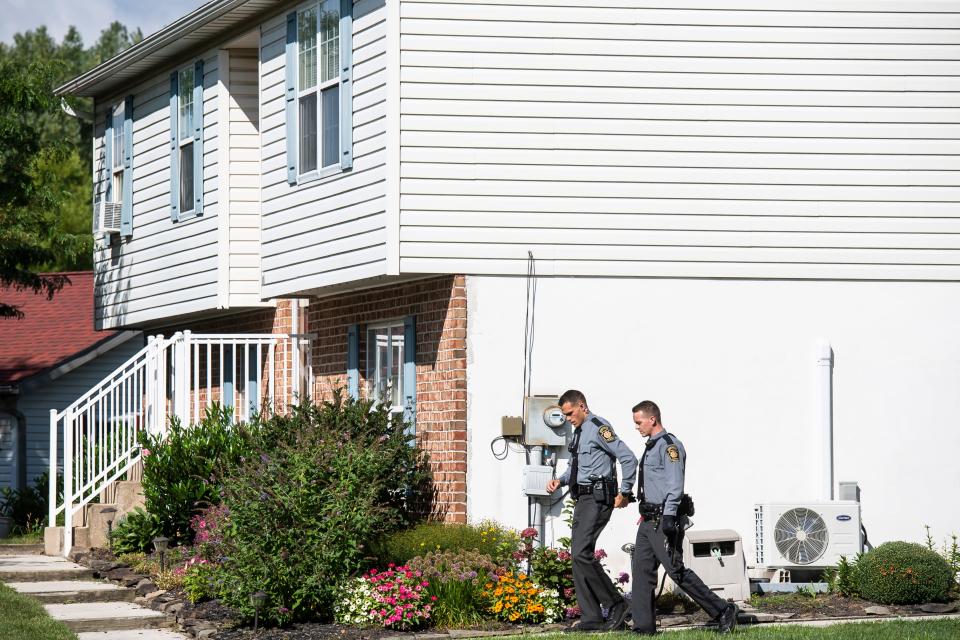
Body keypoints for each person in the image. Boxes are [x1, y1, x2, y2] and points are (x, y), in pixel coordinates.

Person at [630, 400, 739, 635]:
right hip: (648, 520)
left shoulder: (670, 446)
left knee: (675, 570)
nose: (637, 427)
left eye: (639, 422)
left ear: (652, 419)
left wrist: (669, 517)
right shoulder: (651, 445)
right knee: (641, 571)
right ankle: (644, 627)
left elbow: (675, 485)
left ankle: (722, 610)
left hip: (664, 520)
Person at [546, 389, 638, 632]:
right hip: (583, 499)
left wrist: (625, 492)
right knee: (578, 557)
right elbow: (577, 467)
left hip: (598, 498)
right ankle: (591, 618)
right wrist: (561, 481)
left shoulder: (599, 427)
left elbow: (628, 458)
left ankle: (617, 605)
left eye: (570, 413)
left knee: (581, 554)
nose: (567, 418)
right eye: (564, 415)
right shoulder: (578, 433)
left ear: (582, 406)